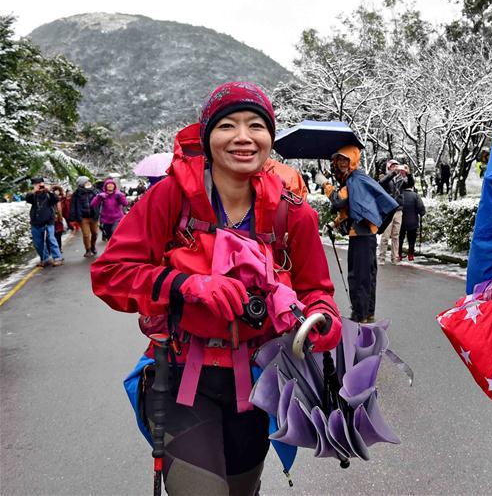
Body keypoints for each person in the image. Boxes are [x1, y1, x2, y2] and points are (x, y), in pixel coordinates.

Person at [90, 82, 341, 496]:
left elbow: (317, 291)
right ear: (207, 138)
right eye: (228, 125)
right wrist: (186, 284)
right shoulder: (170, 197)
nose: (243, 137)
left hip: (260, 383)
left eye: (256, 126)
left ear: (269, 138)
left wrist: (321, 321)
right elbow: (110, 273)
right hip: (182, 379)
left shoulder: (294, 214)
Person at [325, 146, 398, 323]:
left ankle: (360, 315)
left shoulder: (355, 179)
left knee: (359, 276)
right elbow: (352, 207)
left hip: (362, 235)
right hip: (364, 234)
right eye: (339, 159)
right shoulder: (354, 179)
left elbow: (339, 201)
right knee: (367, 274)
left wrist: (325, 185)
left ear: (353, 160)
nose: (341, 163)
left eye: (345, 159)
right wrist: (335, 224)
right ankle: (366, 312)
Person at [25, 177, 63, 267]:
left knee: (51, 240)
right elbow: (27, 198)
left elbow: (56, 199)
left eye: (41, 184)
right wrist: (35, 191)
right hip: (35, 223)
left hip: (48, 221)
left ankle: (57, 258)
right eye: (36, 184)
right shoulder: (33, 195)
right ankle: (45, 259)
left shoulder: (49, 194)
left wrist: (48, 191)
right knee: (38, 243)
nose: (39, 186)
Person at [378, 160, 409, 263]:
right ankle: (381, 258)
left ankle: (395, 258)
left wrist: (408, 173)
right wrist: (393, 173)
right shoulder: (385, 177)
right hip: (388, 211)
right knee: (385, 236)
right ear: (389, 168)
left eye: (397, 166)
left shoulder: (401, 179)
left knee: (396, 236)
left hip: (399, 210)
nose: (395, 168)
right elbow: (382, 183)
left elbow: (410, 184)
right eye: (393, 166)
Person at [70, 176, 100, 257]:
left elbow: (100, 203)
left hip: (94, 216)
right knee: (86, 235)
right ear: (81, 184)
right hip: (83, 217)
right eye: (86, 182)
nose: (88, 183)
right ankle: (88, 250)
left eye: (89, 182)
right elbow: (73, 206)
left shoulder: (95, 192)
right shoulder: (76, 194)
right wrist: (72, 218)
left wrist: (99, 212)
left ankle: (93, 246)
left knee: (95, 233)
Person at [398, 185, 426, 261]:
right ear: (412, 186)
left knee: (400, 239)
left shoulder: (399, 194)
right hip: (412, 222)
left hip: (401, 221)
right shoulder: (415, 195)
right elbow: (421, 208)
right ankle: (410, 255)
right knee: (411, 239)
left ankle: (399, 254)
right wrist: (422, 213)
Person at [51, 185, 67, 253]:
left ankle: (59, 248)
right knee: (53, 235)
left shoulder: (63, 198)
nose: (56, 191)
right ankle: (55, 249)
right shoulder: (50, 198)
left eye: (57, 190)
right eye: (55, 190)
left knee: (58, 234)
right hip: (52, 218)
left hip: (59, 218)